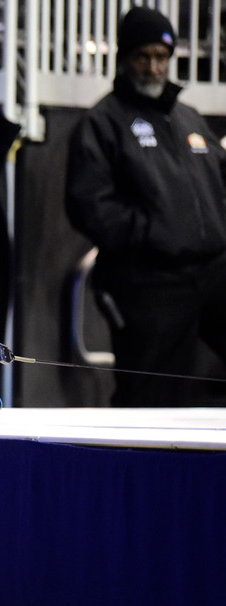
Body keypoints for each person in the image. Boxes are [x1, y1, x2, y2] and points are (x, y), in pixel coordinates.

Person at [65, 6, 226, 407]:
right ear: (123, 58)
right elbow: (88, 204)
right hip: (149, 281)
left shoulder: (188, 118)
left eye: (161, 57)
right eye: (143, 57)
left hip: (213, 272)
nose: (153, 68)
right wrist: (153, 233)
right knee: (151, 397)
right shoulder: (103, 122)